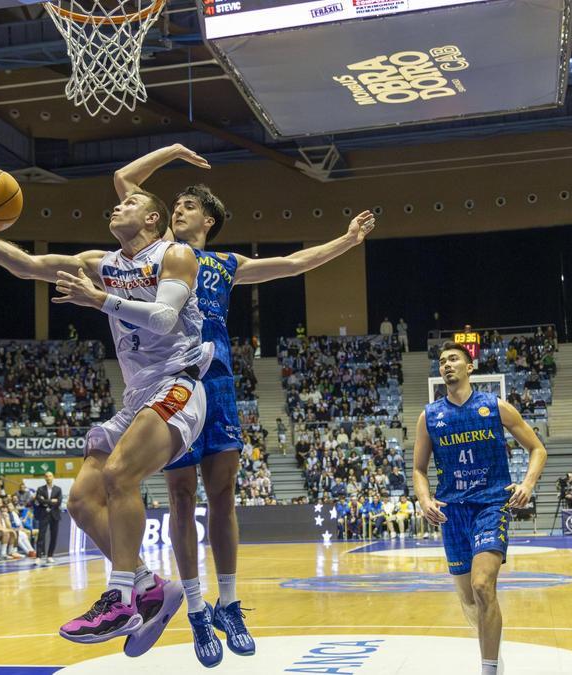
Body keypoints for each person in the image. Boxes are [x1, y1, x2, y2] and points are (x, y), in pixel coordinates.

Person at [112, 143, 375, 664]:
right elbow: (124, 178)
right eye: (176, 205)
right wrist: (173, 153)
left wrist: (346, 241)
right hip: (170, 381)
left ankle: (228, 603)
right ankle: (194, 611)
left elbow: (296, 262)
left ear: (208, 219)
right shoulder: (163, 252)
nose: (178, 209)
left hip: (219, 383)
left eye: (188, 205)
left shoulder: (227, 263)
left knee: (224, 494)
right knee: (182, 497)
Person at [0, 184, 211, 646]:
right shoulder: (102, 264)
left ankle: (120, 599)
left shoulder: (175, 255)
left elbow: (164, 319)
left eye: (130, 203)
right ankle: (151, 587)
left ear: (153, 219)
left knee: (118, 475)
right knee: (81, 500)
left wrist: (99, 300)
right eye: (119, 201)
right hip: (138, 397)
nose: (118, 205)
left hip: (180, 382)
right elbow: (26, 265)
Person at [412, 342, 548, 675]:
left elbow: (537, 449)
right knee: (469, 600)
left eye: (454, 359)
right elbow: (418, 469)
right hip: (451, 511)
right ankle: (493, 651)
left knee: (482, 585)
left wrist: (527, 484)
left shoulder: (495, 407)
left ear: (470, 367)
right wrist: (425, 498)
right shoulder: (429, 416)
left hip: (490, 503)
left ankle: (488, 669)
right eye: (442, 361)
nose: (446, 365)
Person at [34, 471, 63, 565]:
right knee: (41, 536)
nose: (48, 478)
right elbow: (39, 500)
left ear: (53, 477)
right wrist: (51, 501)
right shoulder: (40, 489)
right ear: (44, 478)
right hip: (43, 514)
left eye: (50, 476)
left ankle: (50, 555)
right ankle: (38, 556)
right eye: (46, 476)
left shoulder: (58, 489)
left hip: (54, 514)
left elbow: (58, 502)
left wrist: (46, 501)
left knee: (54, 536)